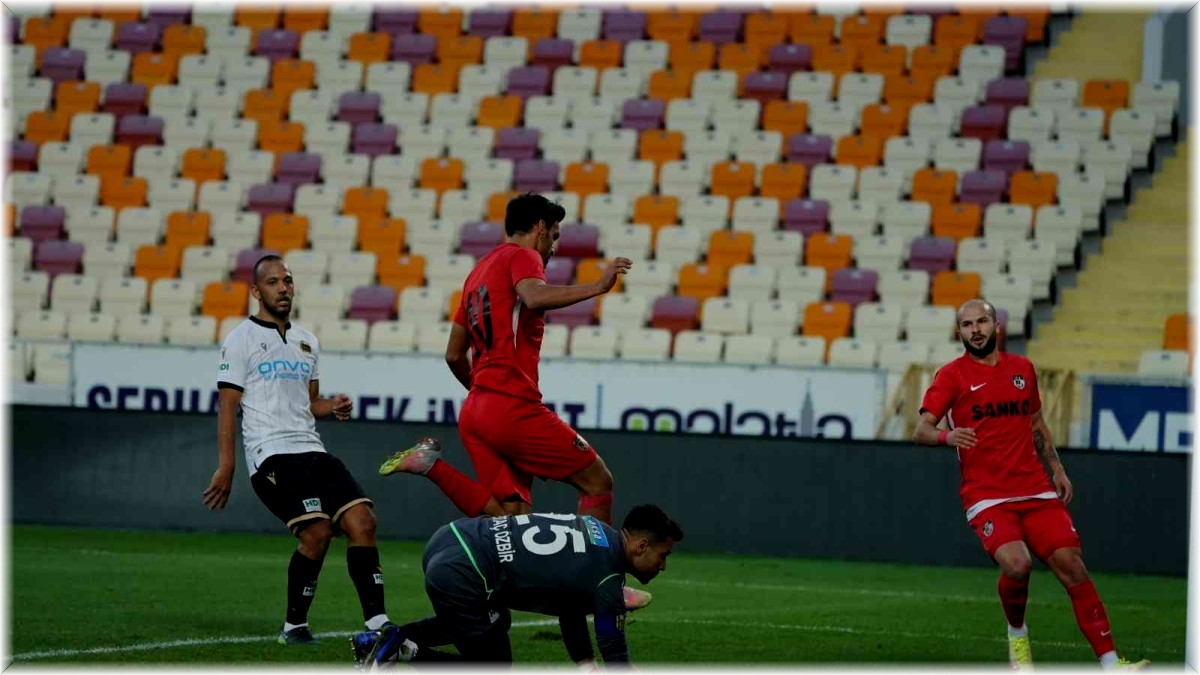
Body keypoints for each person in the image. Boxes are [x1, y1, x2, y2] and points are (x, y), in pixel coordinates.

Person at [913, 299, 1149, 672]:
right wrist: (947, 437)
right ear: (959, 332)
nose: (975, 330)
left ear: (996, 326)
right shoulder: (952, 376)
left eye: (982, 321)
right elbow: (922, 429)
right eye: (966, 325)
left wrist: (1057, 469)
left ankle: (1110, 662)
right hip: (987, 495)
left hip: (1036, 489)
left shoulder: (1023, 369)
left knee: (1072, 565)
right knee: (1018, 565)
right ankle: (1017, 634)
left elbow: (1036, 424)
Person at [203, 255, 394, 645]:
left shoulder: (307, 341)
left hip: (312, 450)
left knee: (364, 522)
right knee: (318, 532)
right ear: (256, 292)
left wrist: (332, 406)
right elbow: (227, 406)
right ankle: (294, 626)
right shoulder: (240, 339)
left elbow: (309, 404)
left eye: (287, 281)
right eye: (273, 282)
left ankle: (378, 624)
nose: (283, 288)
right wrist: (227, 466)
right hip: (271, 455)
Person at [352, 504, 683, 668]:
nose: (663, 566)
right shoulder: (609, 578)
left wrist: (585, 664)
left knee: (497, 620)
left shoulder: (597, 529)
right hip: (466, 572)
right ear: (641, 546)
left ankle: (384, 639)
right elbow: (617, 657)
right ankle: (405, 652)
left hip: (452, 537)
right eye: (662, 555)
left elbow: (570, 611)